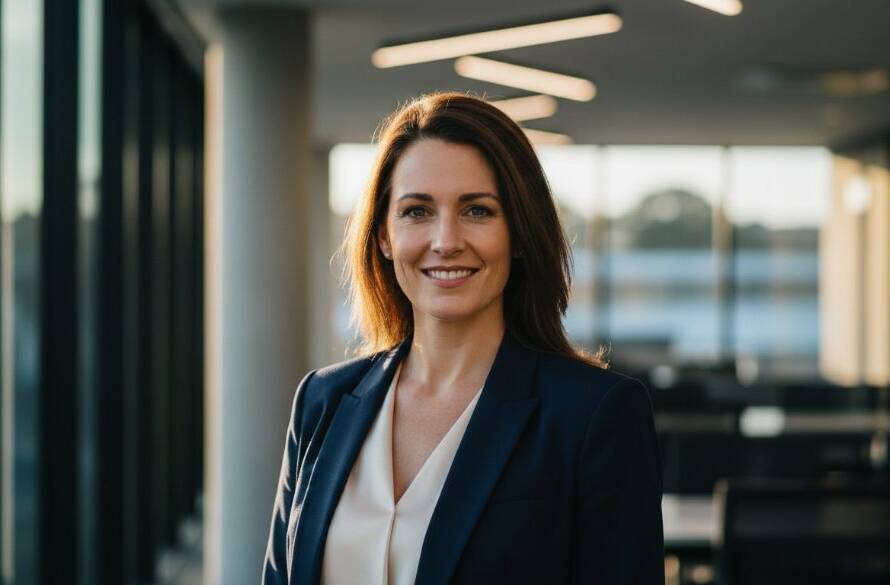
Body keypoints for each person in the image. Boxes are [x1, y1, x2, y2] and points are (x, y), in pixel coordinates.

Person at [262, 92, 664, 585]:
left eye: (477, 211)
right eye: (416, 211)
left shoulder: (593, 416)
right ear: (384, 235)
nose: (446, 240)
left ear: (519, 232)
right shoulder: (321, 402)